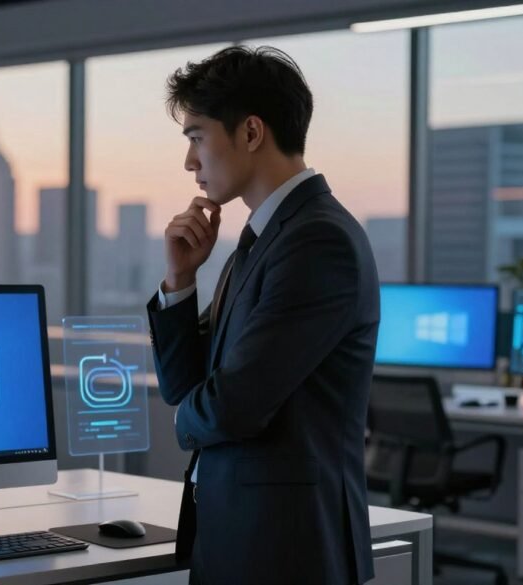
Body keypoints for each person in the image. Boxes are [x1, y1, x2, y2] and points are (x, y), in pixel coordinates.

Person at [146, 45, 380, 584]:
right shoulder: (257, 243)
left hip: (288, 550)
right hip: (241, 541)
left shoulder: (318, 241)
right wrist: (181, 282)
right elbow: (187, 384)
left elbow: (234, 405)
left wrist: (184, 419)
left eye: (197, 137)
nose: (189, 161)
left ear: (251, 133)